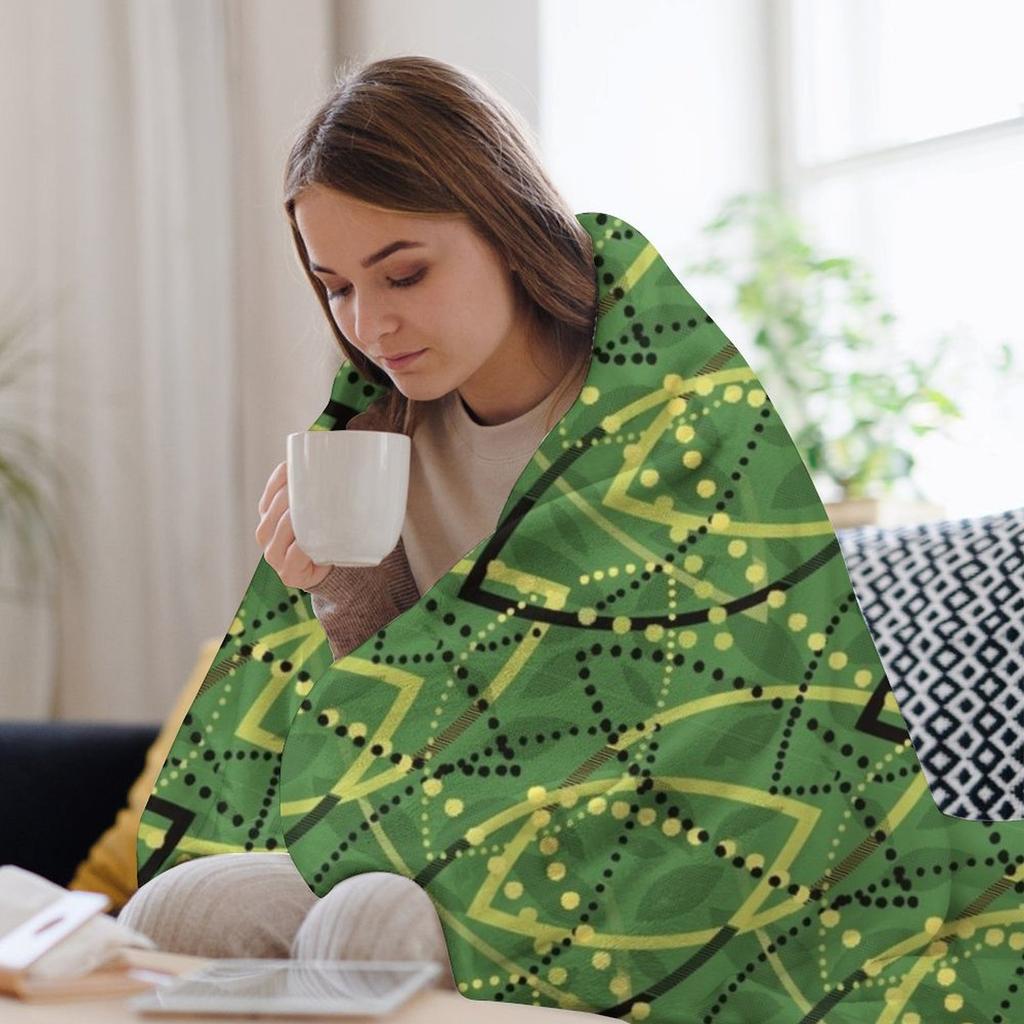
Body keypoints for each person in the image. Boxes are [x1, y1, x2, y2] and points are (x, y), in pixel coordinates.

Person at [119, 53, 597, 985]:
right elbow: (397, 731)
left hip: (610, 839)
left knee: (371, 916)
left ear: (506, 224)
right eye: (337, 287)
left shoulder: (645, 414)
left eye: (404, 274)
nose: (369, 326)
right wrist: (339, 587)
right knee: (180, 907)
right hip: (431, 825)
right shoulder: (382, 437)